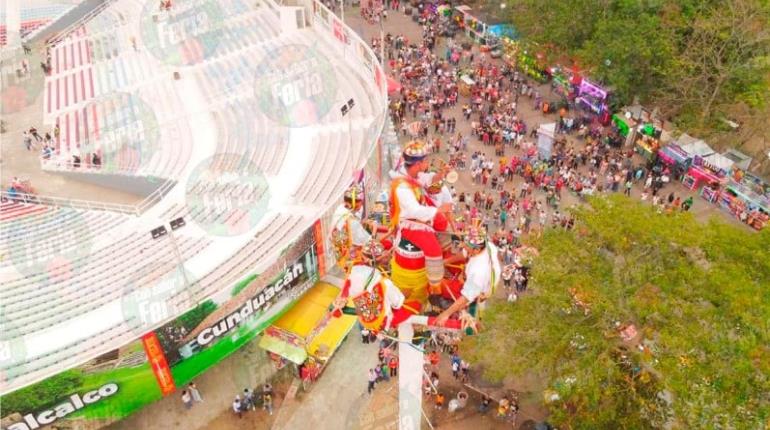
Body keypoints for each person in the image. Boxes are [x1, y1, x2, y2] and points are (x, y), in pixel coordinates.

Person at [389, 141, 453, 295]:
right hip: (409, 222)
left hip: (421, 212)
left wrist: (441, 174)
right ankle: (436, 289)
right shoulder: (401, 186)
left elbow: (429, 180)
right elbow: (414, 211)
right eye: (425, 160)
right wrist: (438, 209)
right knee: (433, 249)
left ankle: (445, 261)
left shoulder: (413, 175)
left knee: (443, 223)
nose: (427, 163)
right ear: (418, 164)